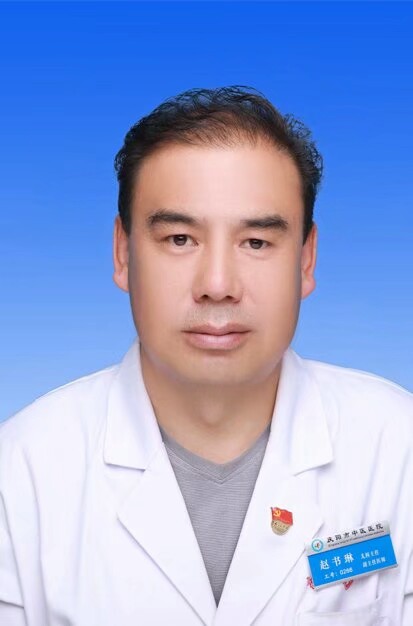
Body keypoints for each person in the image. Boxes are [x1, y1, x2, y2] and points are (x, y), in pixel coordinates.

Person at [0, 85, 412, 626]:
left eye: (256, 243)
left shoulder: (397, 449)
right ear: (123, 253)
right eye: (179, 239)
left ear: (306, 260)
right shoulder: (20, 473)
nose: (217, 285)